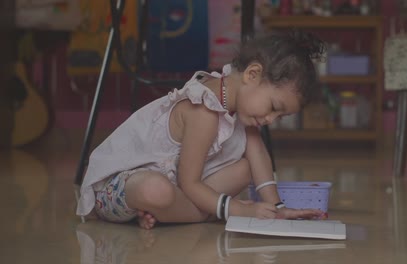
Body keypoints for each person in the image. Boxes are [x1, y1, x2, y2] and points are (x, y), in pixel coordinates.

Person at [76, 31, 327, 229]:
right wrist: (237, 209)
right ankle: (197, 215)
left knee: (244, 169)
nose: (272, 119)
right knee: (155, 189)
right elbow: (189, 182)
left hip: (176, 190)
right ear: (252, 74)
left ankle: (172, 215)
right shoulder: (204, 109)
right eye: (274, 107)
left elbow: (259, 158)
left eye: (280, 116)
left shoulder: (241, 108)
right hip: (117, 191)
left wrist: (277, 207)